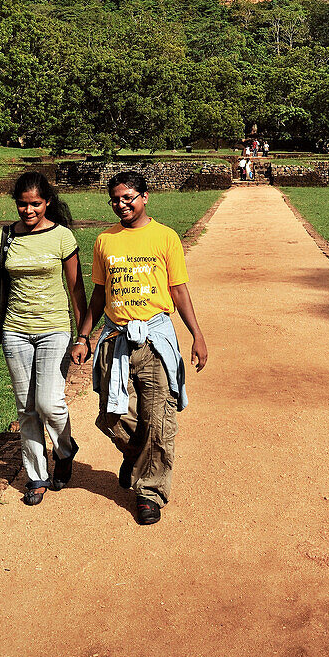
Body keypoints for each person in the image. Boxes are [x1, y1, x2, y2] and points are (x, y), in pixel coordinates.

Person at [72, 170, 208, 526]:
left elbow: (178, 290)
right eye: (115, 199)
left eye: (128, 197)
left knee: (159, 420)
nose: (122, 204)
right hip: (115, 339)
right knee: (113, 415)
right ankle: (135, 454)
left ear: (145, 196)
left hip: (154, 340)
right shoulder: (105, 240)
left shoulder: (165, 237)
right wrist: (83, 337)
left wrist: (197, 334)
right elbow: (100, 295)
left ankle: (150, 493)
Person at [0, 172, 86, 506]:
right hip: (15, 330)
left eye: (35, 204)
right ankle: (36, 475)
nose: (28, 210)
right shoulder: (4, 237)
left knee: (48, 403)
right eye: (22, 204)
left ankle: (64, 450)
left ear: (47, 202)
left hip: (54, 329)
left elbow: (76, 289)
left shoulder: (62, 237)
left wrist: (84, 335)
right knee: (27, 408)